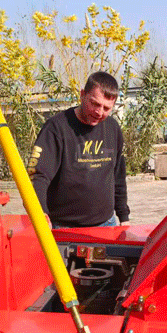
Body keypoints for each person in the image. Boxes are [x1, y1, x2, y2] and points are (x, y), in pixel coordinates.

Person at [29, 71, 130, 228]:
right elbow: (38, 176)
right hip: (63, 226)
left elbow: (118, 176)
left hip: (107, 223)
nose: (99, 112)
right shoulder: (56, 128)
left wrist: (123, 217)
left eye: (106, 108)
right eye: (95, 104)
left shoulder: (112, 128)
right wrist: (41, 213)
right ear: (82, 95)